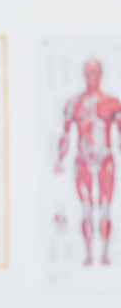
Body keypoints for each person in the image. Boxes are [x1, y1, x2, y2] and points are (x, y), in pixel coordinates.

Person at [54, 60, 120, 266]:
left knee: (106, 207)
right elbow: (65, 134)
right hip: (82, 160)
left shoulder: (113, 103)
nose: (92, 76)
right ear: (83, 74)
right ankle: (88, 255)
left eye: (96, 72)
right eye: (89, 72)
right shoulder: (74, 103)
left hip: (105, 160)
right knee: (86, 208)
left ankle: (105, 255)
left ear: (101, 74)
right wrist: (59, 159)